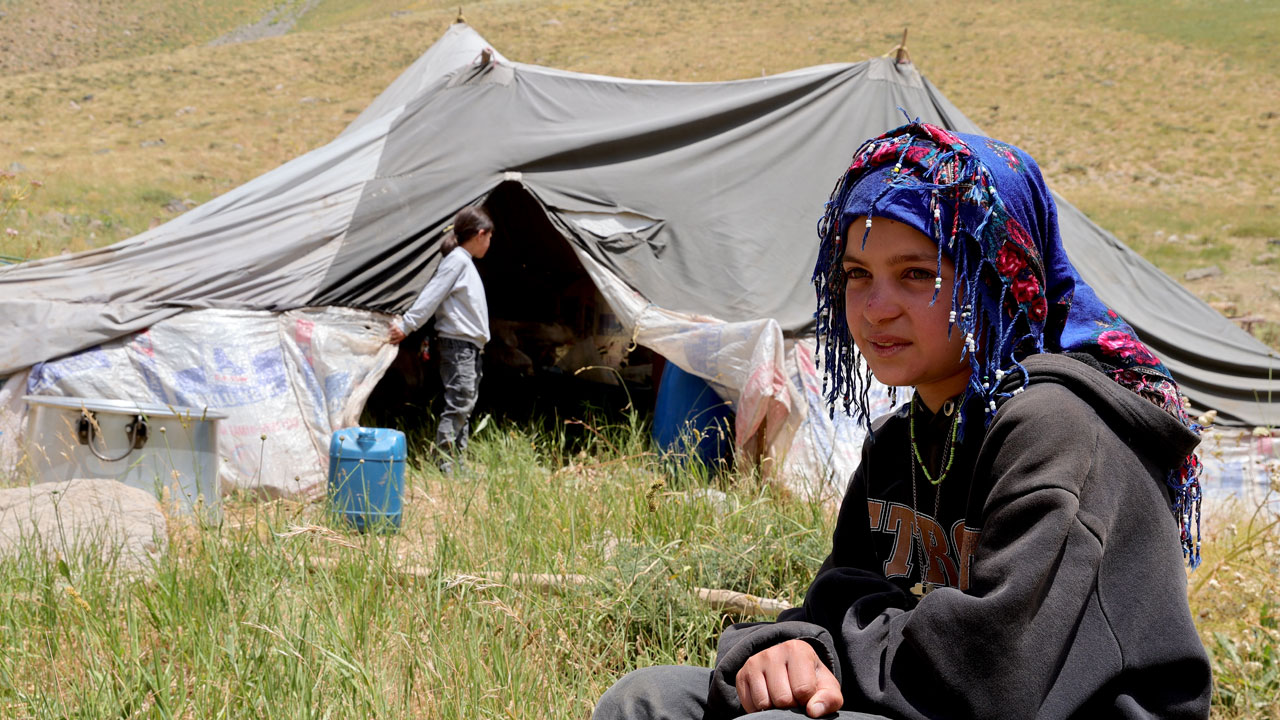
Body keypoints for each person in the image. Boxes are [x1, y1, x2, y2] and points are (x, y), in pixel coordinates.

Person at [592, 122, 1211, 719]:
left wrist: (830, 647)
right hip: (925, 691)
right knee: (643, 701)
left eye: (917, 274)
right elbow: (837, 596)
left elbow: (992, 677)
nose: (876, 307)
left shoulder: (1056, 428)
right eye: (857, 274)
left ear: (995, 280)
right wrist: (786, 648)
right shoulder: (901, 441)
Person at [389, 206, 494, 474]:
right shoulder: (457, 261)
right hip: (458, 345)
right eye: (490, 237)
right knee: (459, 402)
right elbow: (432, 295)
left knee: (465, 405)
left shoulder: (464, 261)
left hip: (470, 347)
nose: (490, 244)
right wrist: (408, 325)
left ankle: (458, 463)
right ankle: (444, 463)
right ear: (481, 234)